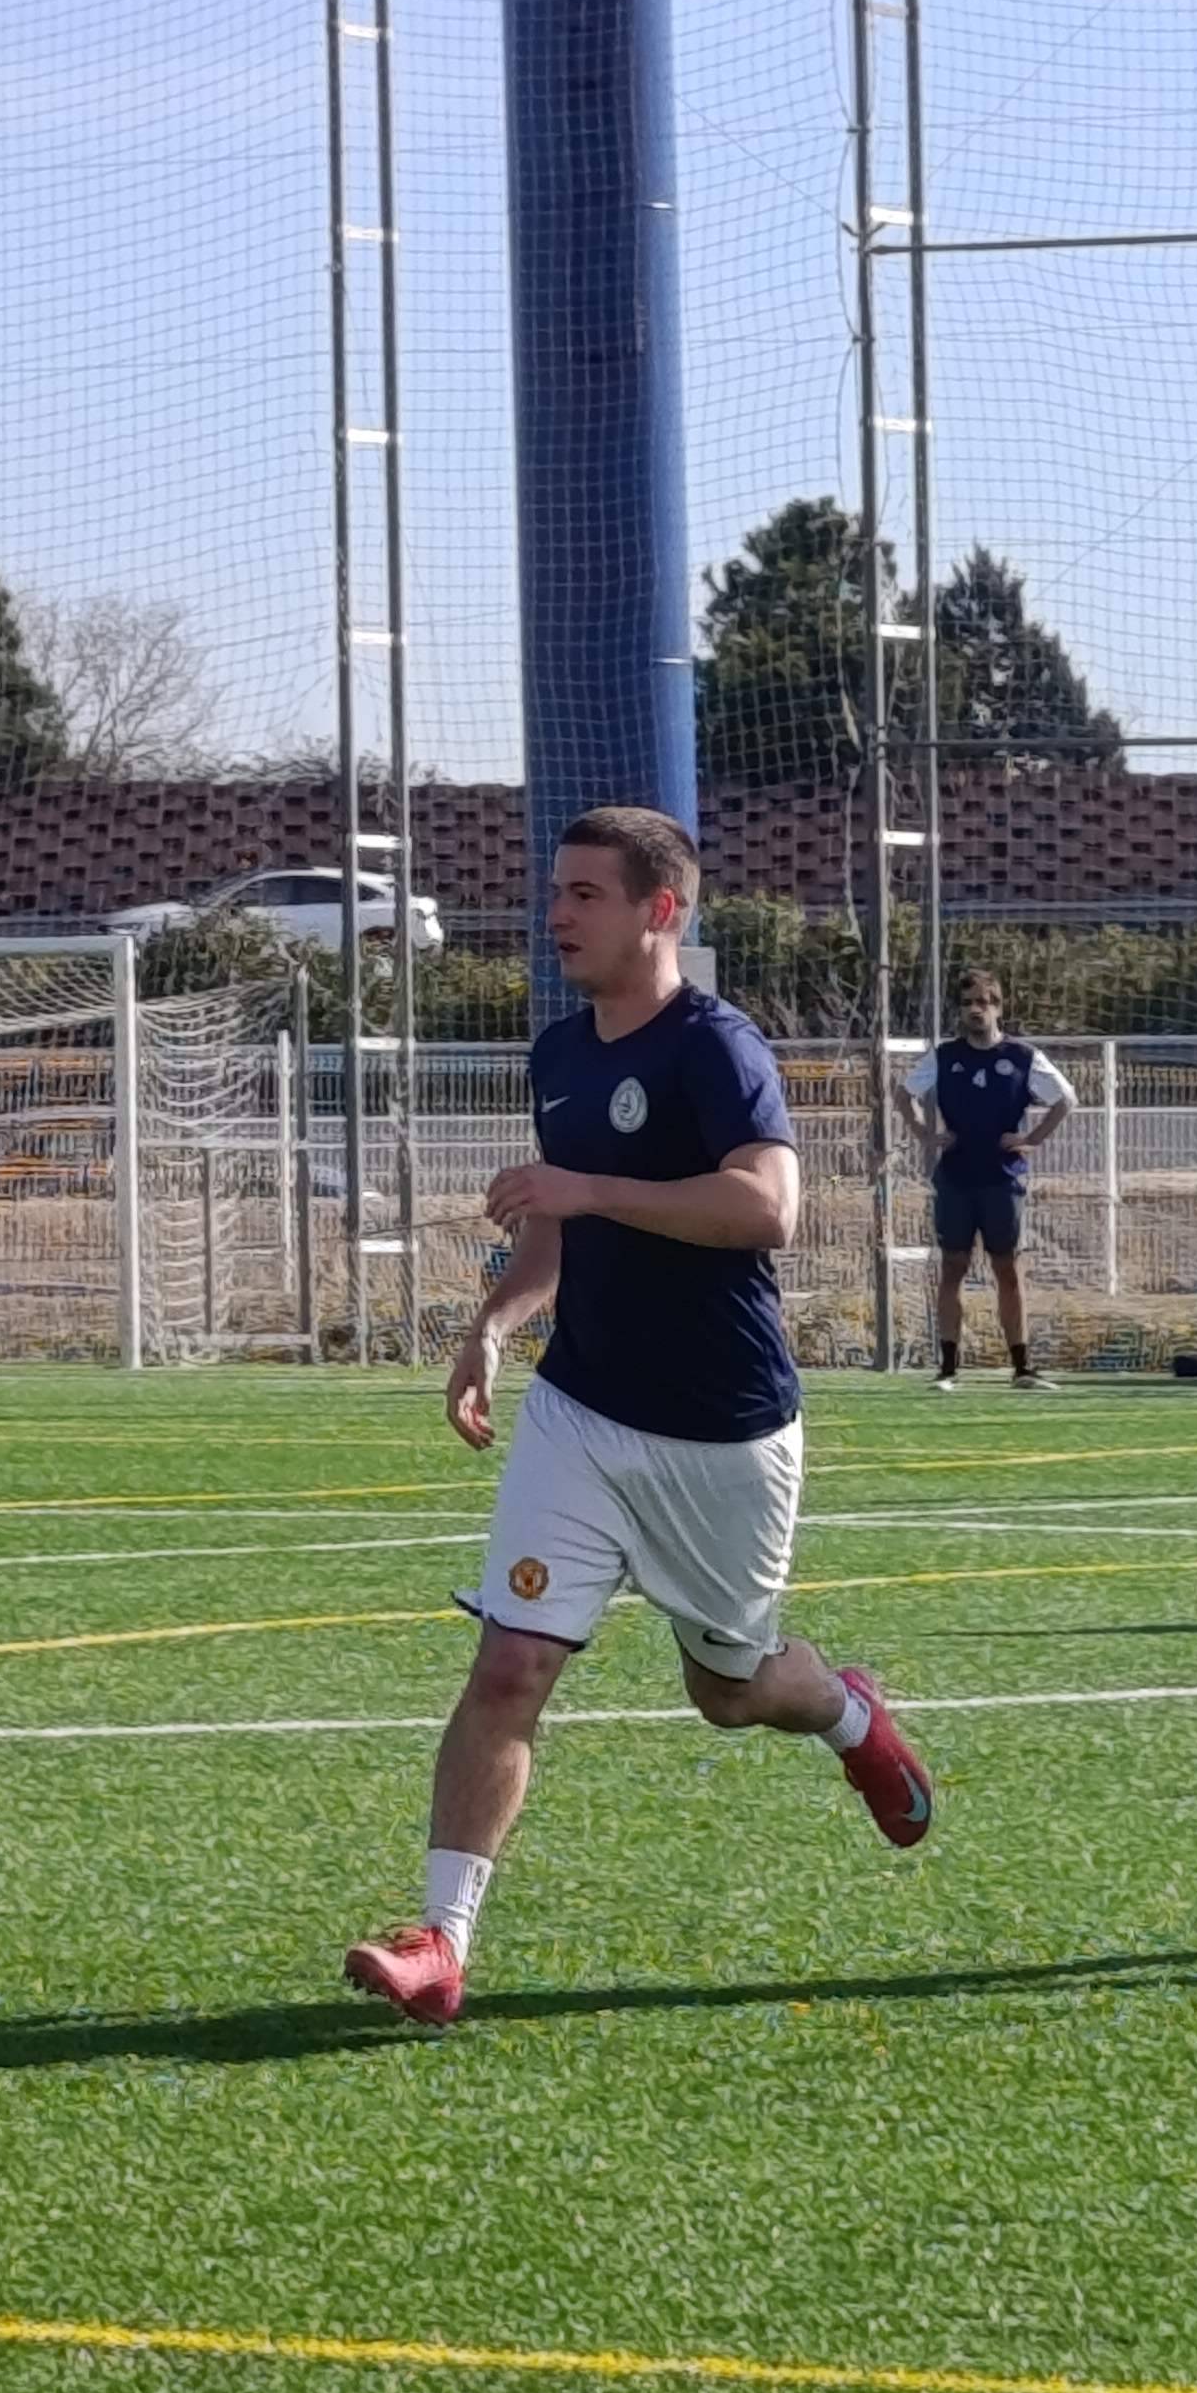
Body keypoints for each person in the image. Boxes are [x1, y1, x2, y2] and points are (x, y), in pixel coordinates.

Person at [346, 808, 934, 2028]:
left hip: (721, 1431)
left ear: (660, 910)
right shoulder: (560, 1053)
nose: (555, 916)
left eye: (585, 895)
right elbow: (556, 1229)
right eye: (554, 892)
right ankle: (441, 1942)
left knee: (731, 1690)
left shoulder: (717, 1049)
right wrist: (495, 1324)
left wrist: (590, 1186)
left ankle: (848, 1713)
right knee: (510, 1664)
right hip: (581, 1411)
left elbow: (768, 1208)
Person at [901, 965, 1075, 1391]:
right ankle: (947, 1369)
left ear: (997, 1007)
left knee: (1008, 1268)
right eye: (967, 1004)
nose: (975, 1010)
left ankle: (1022, 1367)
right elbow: (903, 1093)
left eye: (982, 1002)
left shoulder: (1022, 1057)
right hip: (956, 1177)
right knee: (953, 1267)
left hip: (1002, 1178)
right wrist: (924, 1133)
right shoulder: (945, 1057)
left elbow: (1065, 1099)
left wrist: (1031, 1139)